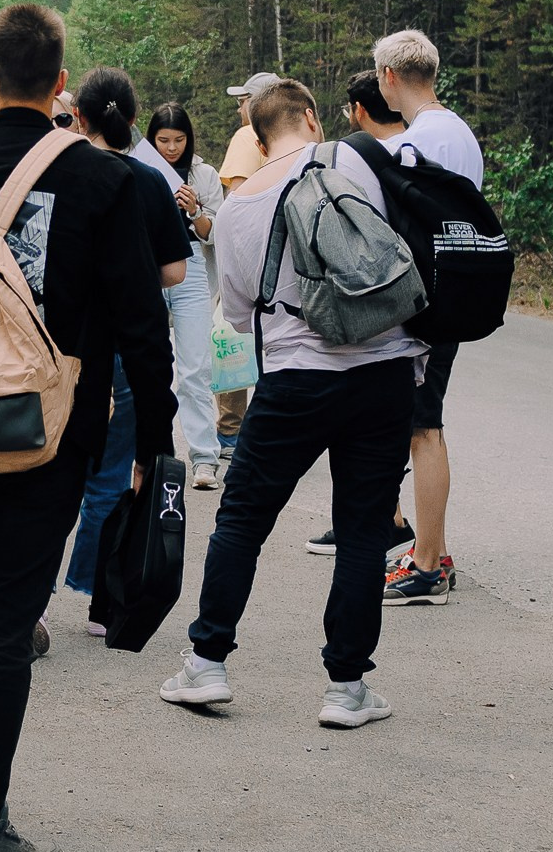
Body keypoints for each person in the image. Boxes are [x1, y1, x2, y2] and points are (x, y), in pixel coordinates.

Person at [0, 7, 173, 852]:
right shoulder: (105, 179)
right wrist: (158, 443)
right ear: (61, 83)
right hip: (51, 434)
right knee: (6, 626)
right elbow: (144, 320)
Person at [160, 78, 420, 727]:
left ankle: (208, 666)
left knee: (242, 520)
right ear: (309, 117)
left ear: (255, 133)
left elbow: (242, 314)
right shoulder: (357, 162)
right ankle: (347, 689)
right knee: (362, 530)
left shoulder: (242, 205)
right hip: (384, 369)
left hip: (297, 380)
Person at [58, 70, 189, 639]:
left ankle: (30, 596)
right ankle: (96, 597)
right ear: (136, 121)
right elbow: (175, 270)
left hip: (66, 340)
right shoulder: (151, 182)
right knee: (114, 472)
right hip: (133, 339)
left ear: (79, 117)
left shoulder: (65, 176)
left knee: (54, 465)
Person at [374, 29, 485, 606]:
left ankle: (428, 565)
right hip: (459, 293)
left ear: (390, 78)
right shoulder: (461, 134)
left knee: (424, 427)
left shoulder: (414, 145)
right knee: (424, 423)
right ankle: (432, 553)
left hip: (425, 301)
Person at [300, 72, 419, 561]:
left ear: (357, 109)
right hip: (422, 301)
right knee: (400, 428)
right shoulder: (420, 149)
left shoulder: (351, 157)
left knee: (395, 430)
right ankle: (383, 519)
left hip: (374, 316)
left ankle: (377, 525)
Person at [146, 103, 228, 490]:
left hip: (191, 264)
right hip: (148, 265)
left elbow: (216, 232)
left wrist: (195, 210)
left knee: (195, 366)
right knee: (151, 364)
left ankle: (204, 458)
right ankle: (154, 454)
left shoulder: (204, 173)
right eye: (163, 140)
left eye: (178, 140)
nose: (171, 148)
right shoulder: (139, 166)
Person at [212, 72, 279, 449]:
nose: (239, 107)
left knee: (231, 340)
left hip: (246, 254)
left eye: (243, 99)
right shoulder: (296, 136)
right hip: (282, 254)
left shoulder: (245, 134)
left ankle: (231, 431)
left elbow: (237, 199)